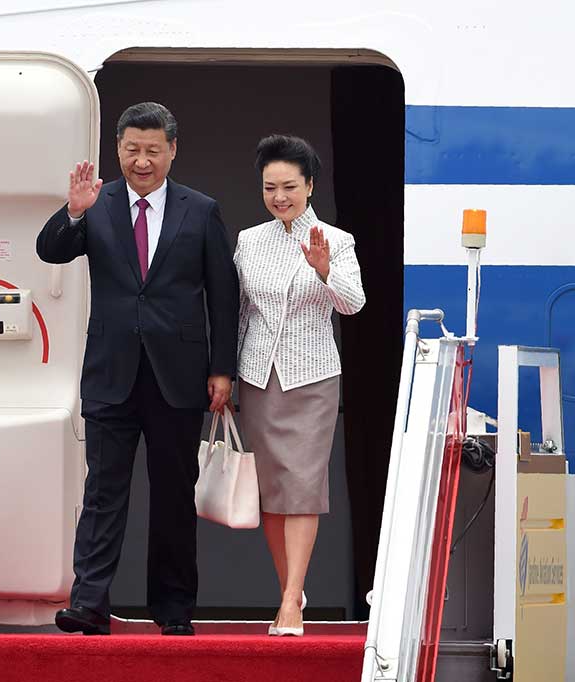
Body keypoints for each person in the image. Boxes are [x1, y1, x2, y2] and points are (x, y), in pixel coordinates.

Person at [37, 102, 239, 636]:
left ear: (172, 150)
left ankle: (172, 610)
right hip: (111, 372)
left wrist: (223, 369)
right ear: (118, 150)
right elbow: (50, 251)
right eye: (132, 150)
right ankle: (89, 603)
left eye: (153, 150)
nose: (141, 161)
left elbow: (223, 295)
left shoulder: (201, 210)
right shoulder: (97, 203)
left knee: (174, 493)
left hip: (179, 373)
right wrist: (74, 212)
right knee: (103, 490)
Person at [233, 135, 365, 636]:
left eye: (290, 186)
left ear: (310, 186)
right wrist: (225, 372)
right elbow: (241, 312)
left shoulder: (337, 239)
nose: (280, 196)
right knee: (272, 492)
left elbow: (353, 304)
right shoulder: (249, 239)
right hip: (258, 377)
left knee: (304, 488)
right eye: (271, 187)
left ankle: (290, 603)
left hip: (311, 376)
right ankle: (291, 583)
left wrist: (325, 270)